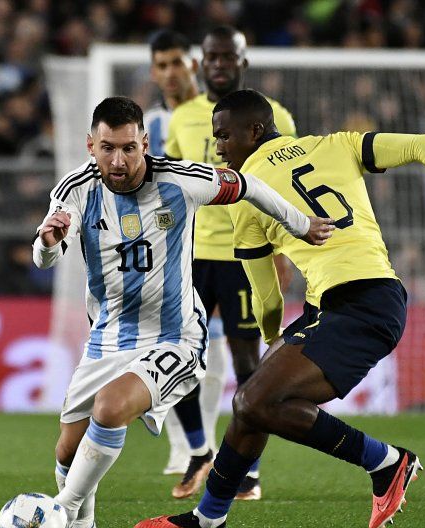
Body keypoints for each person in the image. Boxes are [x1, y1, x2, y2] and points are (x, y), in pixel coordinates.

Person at [133, 89, 425, 528]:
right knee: (252, 407)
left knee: (252, 401)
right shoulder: (337, 144)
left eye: (224, 135)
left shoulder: (247, 195)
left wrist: (272, 335)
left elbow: (264, 293)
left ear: (256, 131)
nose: (218, 147)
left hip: (359, 306)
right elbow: (422, 144)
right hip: (361, 299)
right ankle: (208, 519)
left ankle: (385, 462)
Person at [34, 96, 333, 528]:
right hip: (108, 336)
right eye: (108, 148)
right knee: (66, 453)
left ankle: (60, 512)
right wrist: (48, 243)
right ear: (91, 145)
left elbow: (249, 185)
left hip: (175, 334)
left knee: (111, 408)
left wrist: (298, 224)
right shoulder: (74, 189)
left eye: (129, 148)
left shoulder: (181, 180)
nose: (119, 160)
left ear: (145, 143)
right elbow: (48, 250)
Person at [162, 25, 298, 501]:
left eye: (228, 56)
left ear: (244, 60)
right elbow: (171, 186)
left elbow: (284, 190)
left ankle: (249, 471)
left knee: (248, 364)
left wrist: (280, 253)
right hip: (191, 256)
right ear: (202, 62)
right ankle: (199, 452)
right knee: (173, 356)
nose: (219, 64)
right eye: (212, 56)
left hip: (246, 254)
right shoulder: (182, 118)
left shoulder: (274, 115)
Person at [144, 29, 229, 477]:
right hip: (170, 250)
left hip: (223, 247)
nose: (170, 72)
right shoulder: (150, 127)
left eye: (177, 62)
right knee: (173, 349)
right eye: (161, 65)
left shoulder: (224, 114)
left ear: (193, 65)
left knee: (214, 348)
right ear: (153, 72)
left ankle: (205, 444)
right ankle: (184, 448)